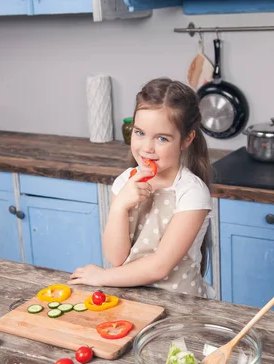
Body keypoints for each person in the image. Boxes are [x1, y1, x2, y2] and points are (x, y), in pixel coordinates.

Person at [68, 77, 214, 298]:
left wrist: (101, 277)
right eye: (140, 133)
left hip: (181, 305)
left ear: (186, 139)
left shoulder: (192, 192)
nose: (147, 148)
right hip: (129, 297)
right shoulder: (125, 181)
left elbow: (159, 267)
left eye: (162, 138)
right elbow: (116, 258)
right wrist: (120, 206)